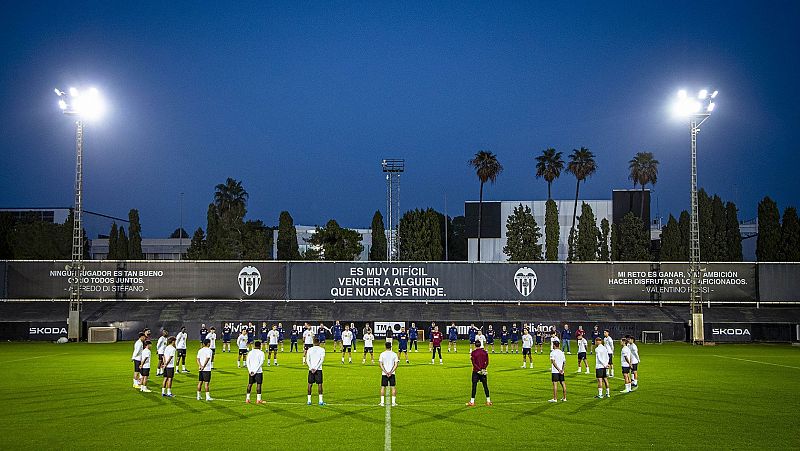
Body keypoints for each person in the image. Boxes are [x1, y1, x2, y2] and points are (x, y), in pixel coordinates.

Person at [467, 340, 491, 406]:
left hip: (476, 372)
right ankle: (488, 401)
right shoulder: (485, 352)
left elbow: (473, 363)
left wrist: (479, 370)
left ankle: (472, 401)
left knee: (474, 386)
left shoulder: (473, 353)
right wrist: (483, 369)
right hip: (483, 372)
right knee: (485, 386)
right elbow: (487, 362)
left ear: (475, 345)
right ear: (480, 345)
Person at [306, 338, 326, 405]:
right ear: (319, 342)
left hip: (311, 370)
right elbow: (322, 360)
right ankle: (320, 401)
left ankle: (309, 401)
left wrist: (311, 368)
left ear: (313, 343)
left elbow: (307, 360)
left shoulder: (309, 349)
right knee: (319, 384)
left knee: (309, 384)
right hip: (318, 370)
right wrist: (316, 368)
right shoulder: (322, 350)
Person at [378, 342, 399, 407]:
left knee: (383, 387)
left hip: (384, 374)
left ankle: (382, 402)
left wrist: (385, 372)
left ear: (385, 346)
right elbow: (396, 365)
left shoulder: (382, 354)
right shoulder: (394, 354)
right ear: (391, 346)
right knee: (393, 387)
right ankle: (393, 403)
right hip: (392, 373)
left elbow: (380, 364)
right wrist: (391, 372)